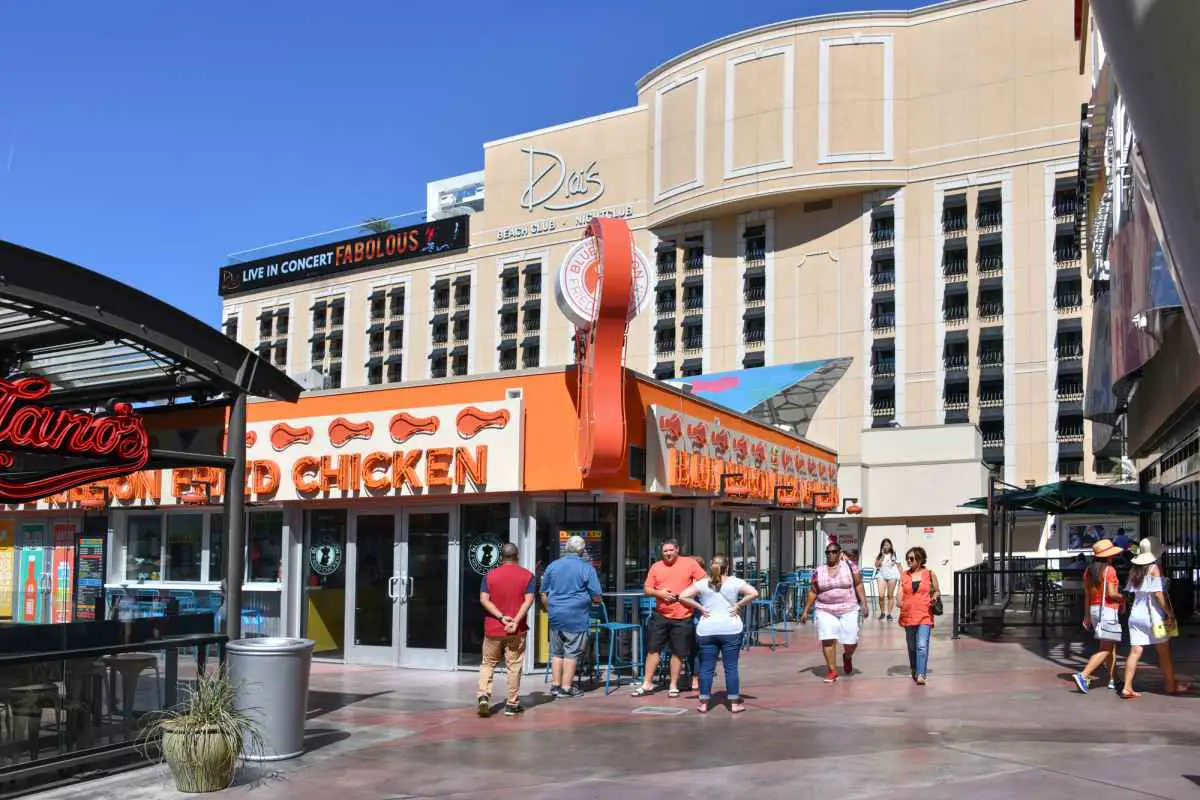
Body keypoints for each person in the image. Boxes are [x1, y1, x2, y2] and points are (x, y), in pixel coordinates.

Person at [679, 555, 758, 713]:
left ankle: (703, 703)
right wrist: (738, 604)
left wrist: (700, 608)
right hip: (731, 629)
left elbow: (682, 596)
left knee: (706, 667)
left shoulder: (702, 584)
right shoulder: (735, 582)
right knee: (731, 667)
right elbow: (754, 593)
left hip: (707, 629)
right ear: (728, 567)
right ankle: (734, 704)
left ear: (711, 567)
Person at [633, 539, 706, 697]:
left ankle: (673, 685)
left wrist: (690, 592)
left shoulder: (689, 563)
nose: (668, 553)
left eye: (671, 550)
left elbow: (704, 581)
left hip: (683, 616)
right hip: (661, 614)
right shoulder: (656, 566)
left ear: (677, 549)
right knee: (653, 650)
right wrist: (660, 593)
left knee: (678, 652)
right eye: (665, 551)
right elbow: (647, 588)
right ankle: (647, 683)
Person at [1122, 537, 1190, 698]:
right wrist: (1170, 613)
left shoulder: (1135, 570)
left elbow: (1132, 593)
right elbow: (1158, 595)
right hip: (1153, 617)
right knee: (1164, 654)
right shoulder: (1154, 568)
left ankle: (1126, 687)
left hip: (1135, 616)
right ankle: (1171, 686)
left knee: (1134, 652)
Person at [539, 535, 602, 698]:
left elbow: (543, 592)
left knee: (556, 652)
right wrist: (592, 601)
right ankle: (566, 687)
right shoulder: (587, 568)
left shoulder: (553, 566)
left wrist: (550, 609)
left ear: (566, 548)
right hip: (576, 616)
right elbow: (596, 595)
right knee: (571, 653)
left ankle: (555, 686)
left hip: (556, 616)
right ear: (582, 550)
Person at [477, 542, 535, 717]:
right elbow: (529, 600)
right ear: (517, 556)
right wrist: (515, 621)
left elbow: (484, 599)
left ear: (501, 557)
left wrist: (502, 617)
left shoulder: (489, 575)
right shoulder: (528, 576)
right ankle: (511, 704)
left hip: (494, 628)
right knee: (514, 666)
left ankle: (483, 695)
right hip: (516, 630)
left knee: (488, 662)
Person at [800, 541, 869, 682]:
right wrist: (806, 611)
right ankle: (832, 671)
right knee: (827, 638)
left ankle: (847, 656)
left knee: (851, 640)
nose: (830, 554)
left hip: (848, 607)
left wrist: (865, 604)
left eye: (834, 552)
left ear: (839, 553)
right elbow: (813, 592)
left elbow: (858, 584)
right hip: (825, 609)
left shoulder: (850, 566)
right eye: (828, 552)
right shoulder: (819, 571)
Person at [1071, 539, 1124, 694]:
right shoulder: (1110, 570)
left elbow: (1087, 596)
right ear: (1108, 556)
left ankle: (1114, 679)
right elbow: (1112, 594)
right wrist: (1124, 598)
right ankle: (1083, 675)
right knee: (1106, 649)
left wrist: (1087, 615)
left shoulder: (1088, 572)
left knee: (1109, 646)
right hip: (1108, 610)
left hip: (1094, 610)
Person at [897, 546, 939, 685]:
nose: (909, 561)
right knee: (911, 645)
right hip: (908, 614)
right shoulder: (904, 575)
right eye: (907, 558)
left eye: (912, 558)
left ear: (920, 559)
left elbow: (937, 591)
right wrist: (899, 602)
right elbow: (900, 592)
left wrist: (934, 597)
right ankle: (914, 668)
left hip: (924, 614)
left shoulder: (930, 574)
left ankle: (921, 673)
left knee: (922, 645)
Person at [874, 538, 901, 620]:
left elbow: (899, 566)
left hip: (892, 576)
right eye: (884, 545)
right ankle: (882, 613)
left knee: (890, 595)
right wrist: (882, 556)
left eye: (887, 544)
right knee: (881, 595)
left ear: (890, 546)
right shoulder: (880, 555)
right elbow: (876, 565)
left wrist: (902, 577)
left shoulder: (894, 554)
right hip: (881, 575)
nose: (886, 546)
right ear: (882, 546)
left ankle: (889, 614)